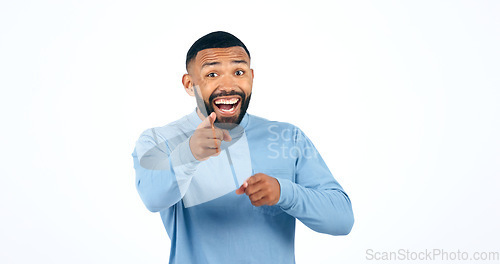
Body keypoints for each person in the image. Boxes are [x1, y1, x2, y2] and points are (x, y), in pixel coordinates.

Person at [132, 31, 354, 264]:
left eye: (239, 72)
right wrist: (189, 153)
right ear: (190, 84)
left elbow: (342, 220)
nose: (228, 86)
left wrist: (284, 192)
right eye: (212, 74)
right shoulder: (159, 140)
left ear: (251, 77)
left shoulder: (287, 137)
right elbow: (152, 198)